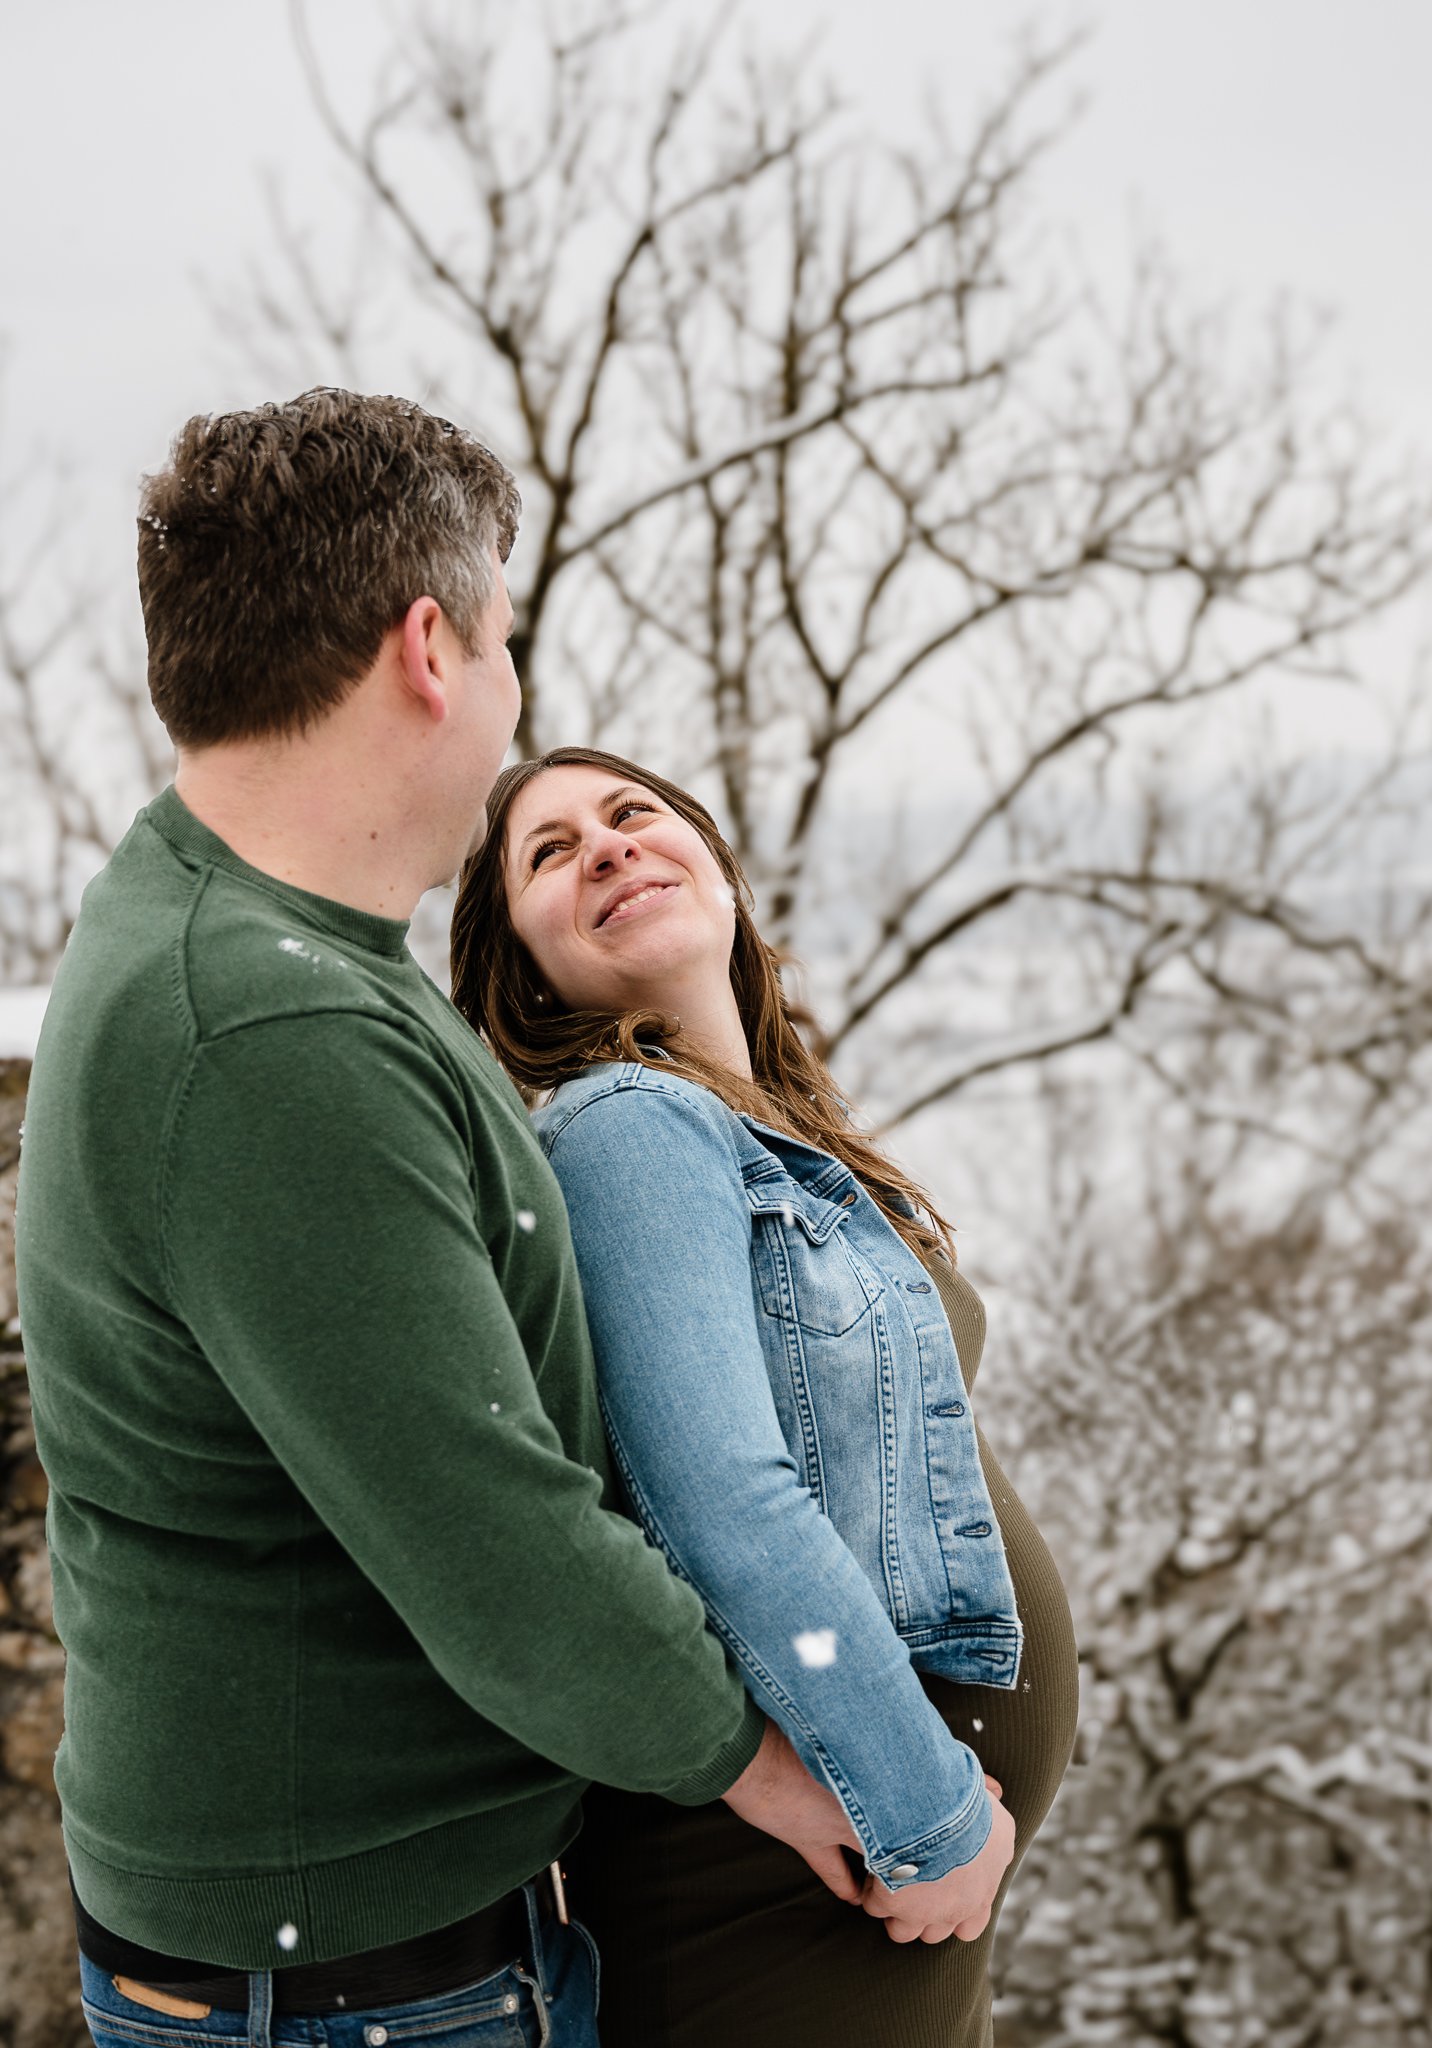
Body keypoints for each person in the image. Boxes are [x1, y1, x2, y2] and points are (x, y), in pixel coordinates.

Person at [14, 391, 871, 2048]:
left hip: (353, 1960)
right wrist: (804, 1779)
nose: (506, 694)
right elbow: (507, 1561)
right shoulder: (269, 1031)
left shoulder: (255, 939)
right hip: (363, 1987)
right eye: (499, 641)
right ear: (427, 646)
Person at [449, 746, 1081, 2048]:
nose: (609, 846)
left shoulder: (762, 1123)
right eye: (551, 853)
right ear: (523, 971)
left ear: (718, 868)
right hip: (808, 1871)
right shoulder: (631, 1126)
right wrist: (928, 1813)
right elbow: (724, 1507)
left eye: (631, 814)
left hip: (866, 1873)